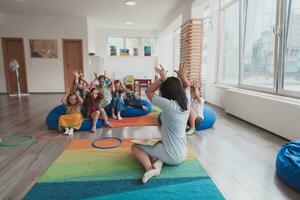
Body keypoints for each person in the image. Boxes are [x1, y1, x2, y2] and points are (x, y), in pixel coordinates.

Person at [131, 63, 191, 184]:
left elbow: (148, 91)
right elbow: (187, 85)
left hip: (172, 156)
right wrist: (183, 77)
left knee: (135, 147)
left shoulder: (169, 105)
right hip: (183, 152)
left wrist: (162, 79)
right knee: (157, 142)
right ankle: (158, 163)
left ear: (166, 91)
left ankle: (150, 169)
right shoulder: (186, 101)